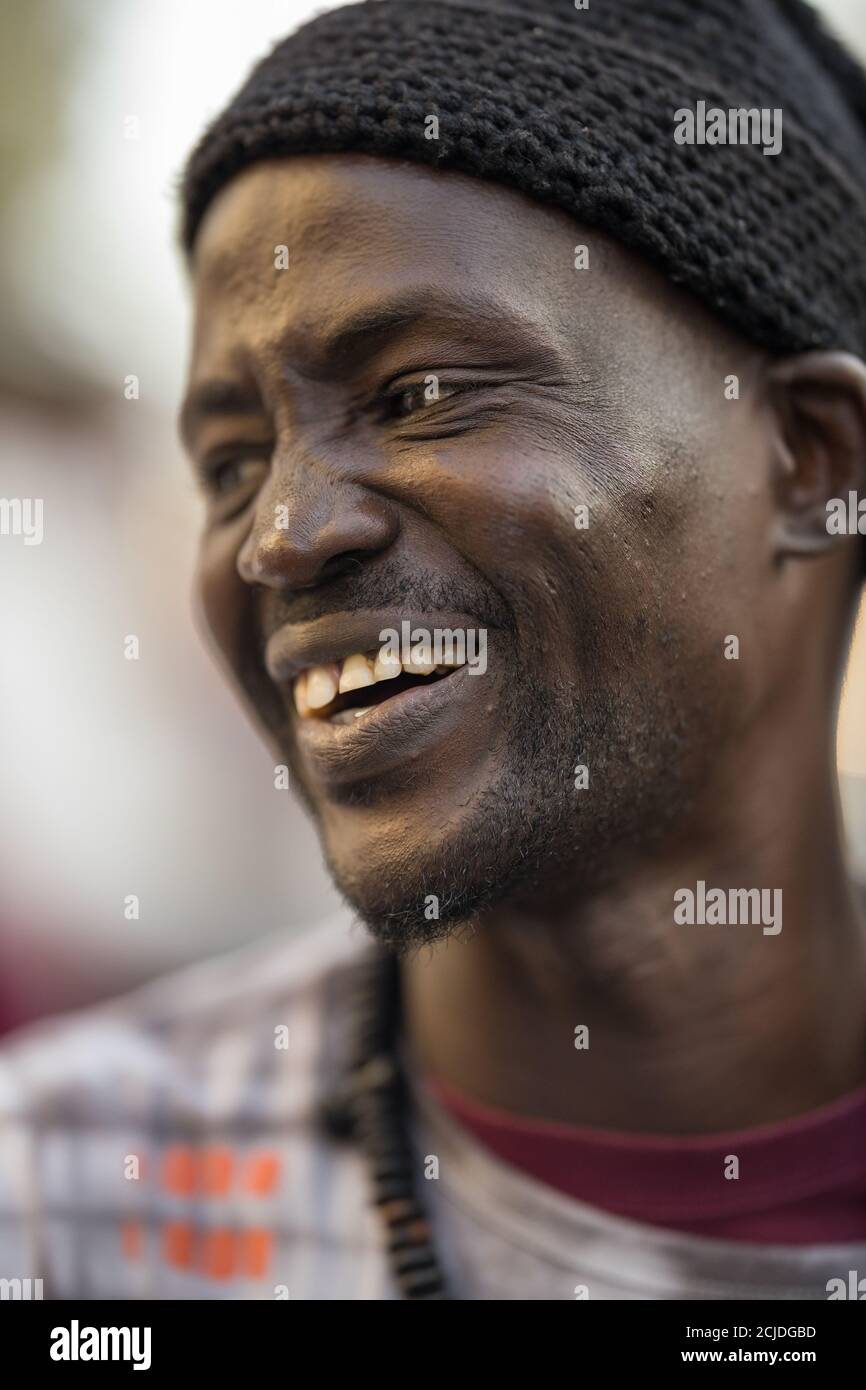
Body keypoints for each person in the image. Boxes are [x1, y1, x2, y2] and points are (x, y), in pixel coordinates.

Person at [2, 0, 866, 1301]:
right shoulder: (70, 1203)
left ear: (810, 462)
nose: (279, 539)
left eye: (418, 394)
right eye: (233, 462)